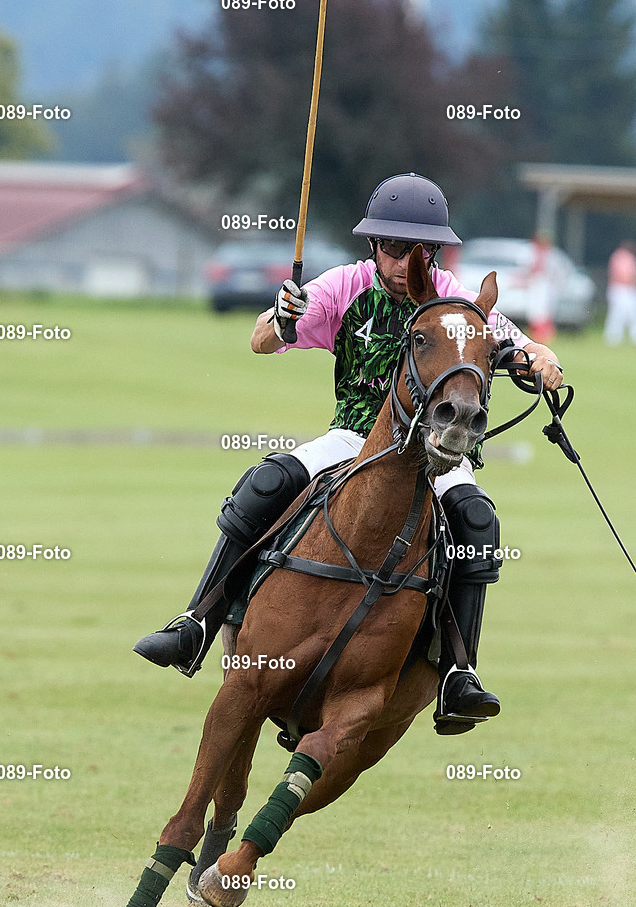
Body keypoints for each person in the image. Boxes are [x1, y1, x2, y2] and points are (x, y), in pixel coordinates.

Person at [134, 173, 564, 734]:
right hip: (355, 438)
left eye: (419, 249)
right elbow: (261, 340)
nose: (405, 261)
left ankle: (459, 671)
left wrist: (542, 360)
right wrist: (281, 318)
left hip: (433, 449)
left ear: (434, 252)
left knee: (477, 519)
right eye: (394, 247)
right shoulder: (344, 286)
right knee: (265, 483)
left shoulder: (455, 301)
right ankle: (198, 621)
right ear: (374, 245)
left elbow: (522, 344)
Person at [604, 241, 636, 346]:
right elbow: (627, 275)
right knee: (634, 315)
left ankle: (614, 338)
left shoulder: (616, 257)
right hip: (626, 290)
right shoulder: (625, 257)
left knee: (617, 316)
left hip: (618, 289)